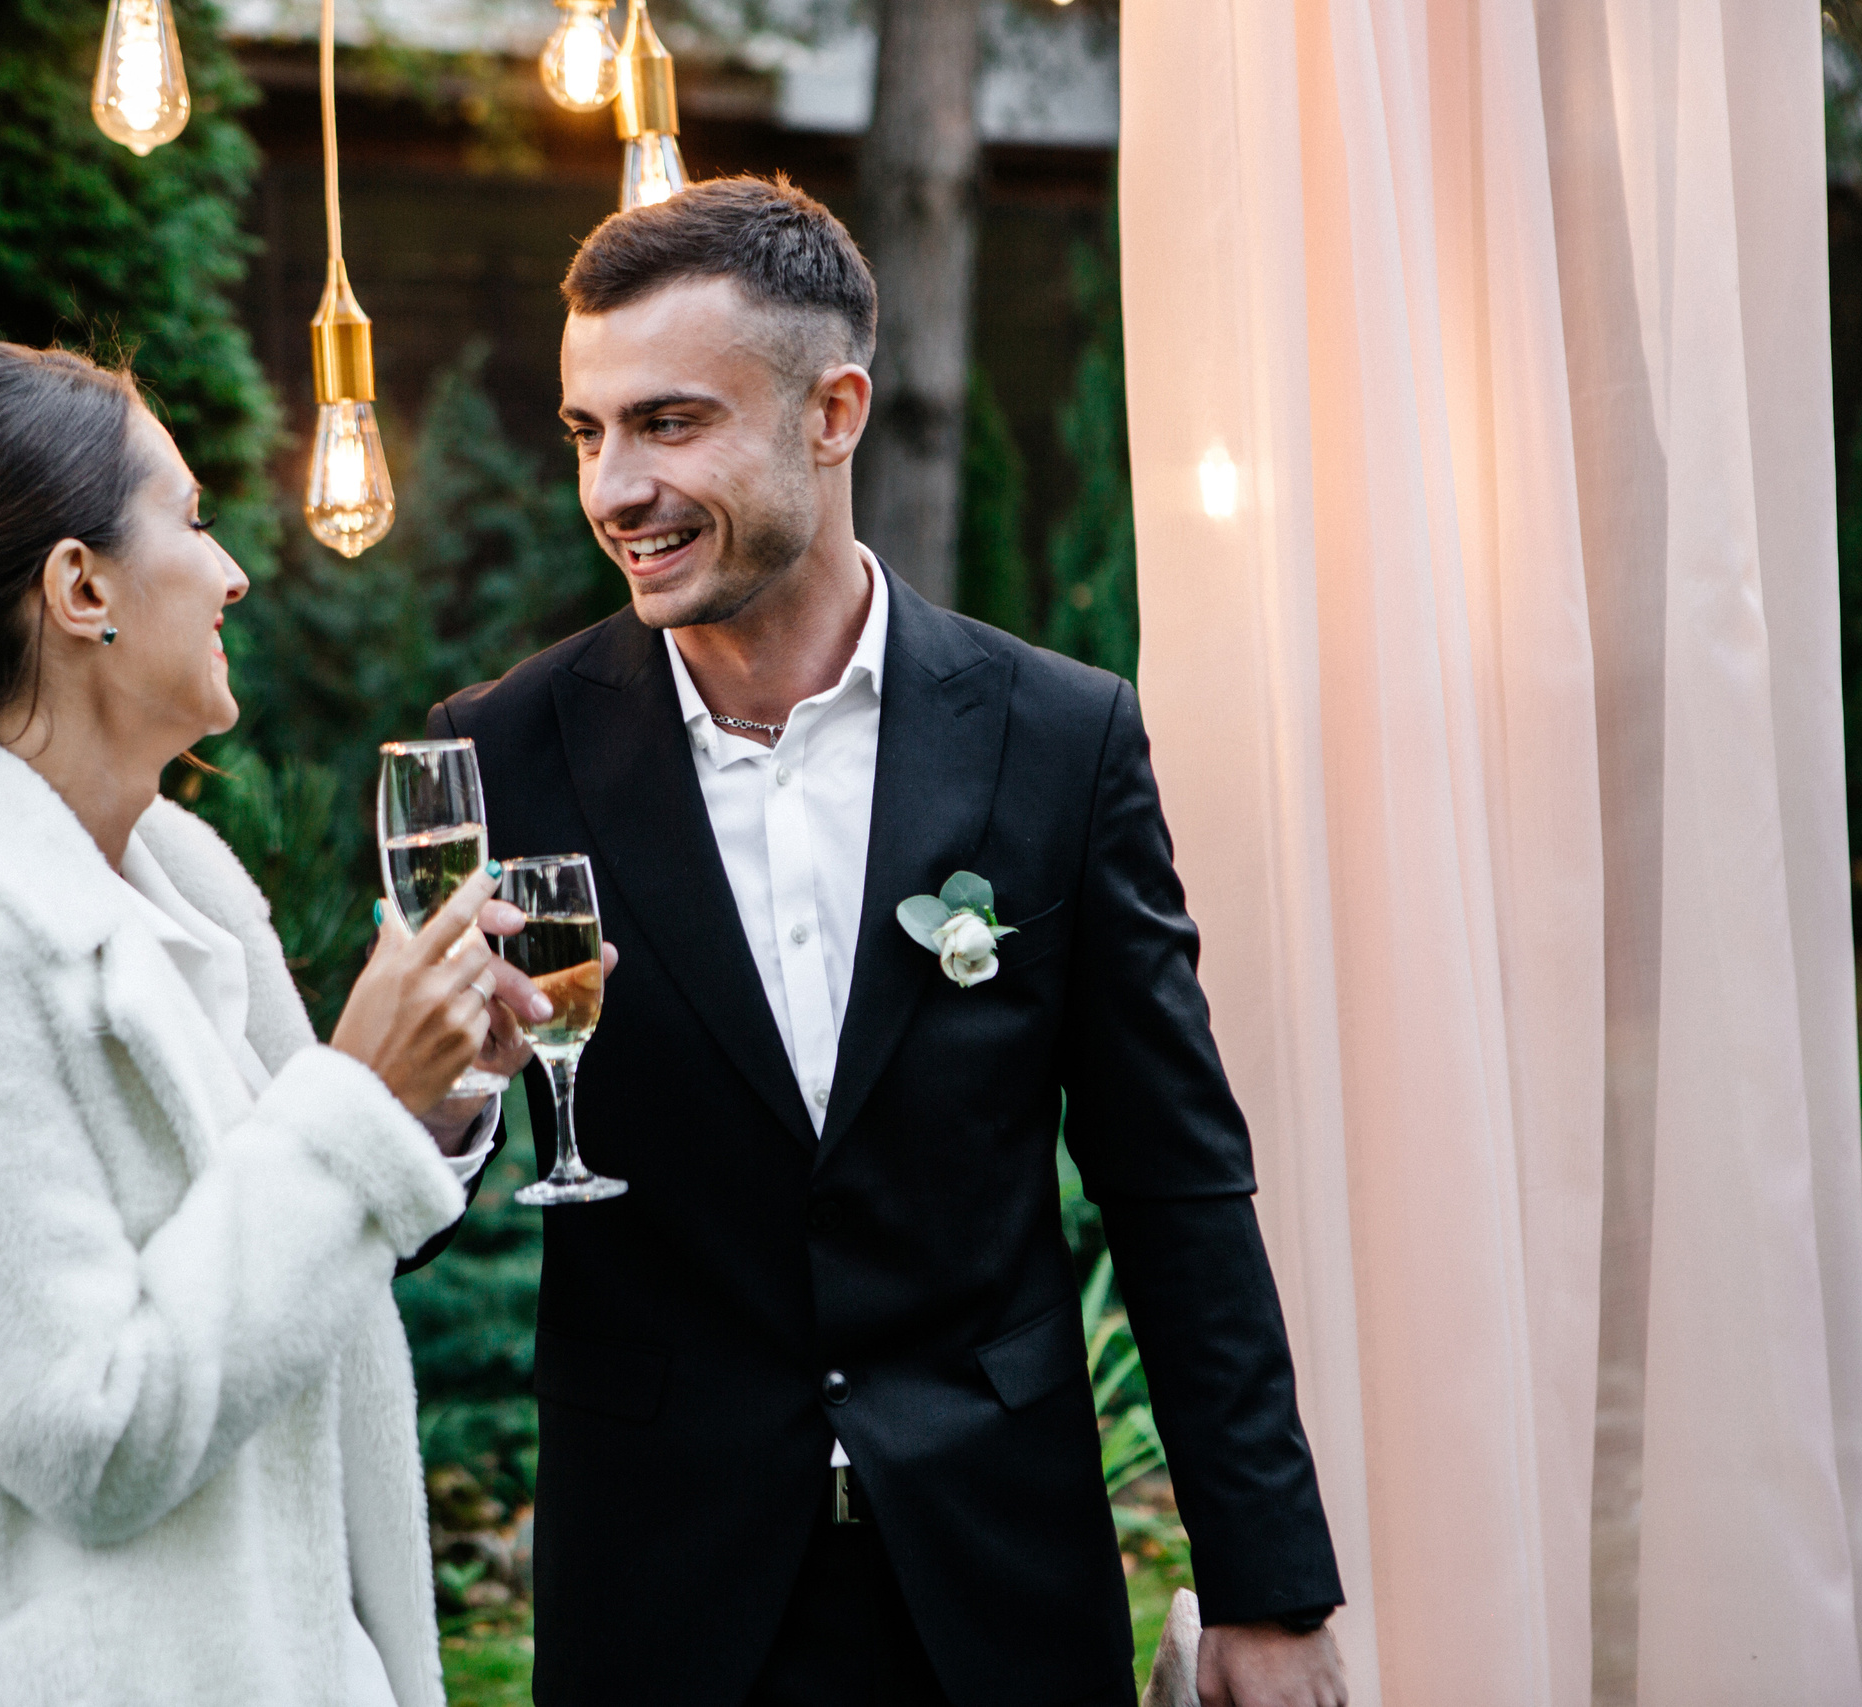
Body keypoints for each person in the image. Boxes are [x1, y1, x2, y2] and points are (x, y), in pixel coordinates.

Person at [427, 178, 1349, 1706]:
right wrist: (452, 1096)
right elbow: (403, 1203)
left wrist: (1268, 1584)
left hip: (995, 1598)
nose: (612, 489)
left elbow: (1175, 1182)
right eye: (588, 433)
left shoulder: (1059, 740)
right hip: (665, 1610)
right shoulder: (499, 756)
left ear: (833, 412)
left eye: (667, 424)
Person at [0, 340, 562, 1707]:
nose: (233, 570)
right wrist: (355, 1100)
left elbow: (269, 1281)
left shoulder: (183, 882)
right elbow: (93, 1432)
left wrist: (428, 1099)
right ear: (80, 587)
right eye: (188, 519)